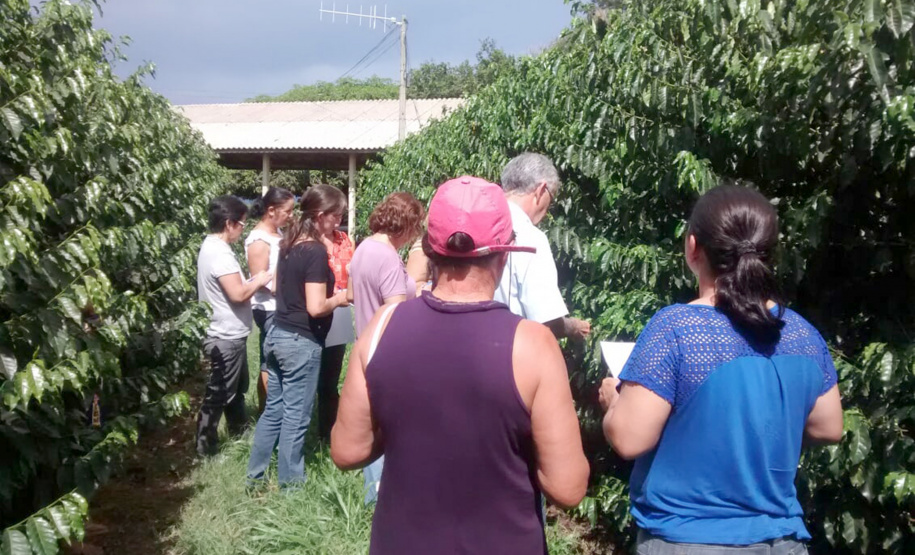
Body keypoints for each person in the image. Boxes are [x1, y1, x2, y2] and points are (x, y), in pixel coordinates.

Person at [332, 176, 590, 554]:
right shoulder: (533, 346)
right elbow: (567, 488)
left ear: (429, 251)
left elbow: (347, 450)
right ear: (504, 255)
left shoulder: (382, 327)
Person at [599, 185, 844, 554]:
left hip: (688, 538)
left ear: (692, 247)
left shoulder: (676, 328)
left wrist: (612, 403)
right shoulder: (802, 334)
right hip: (782, 541)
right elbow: (829, 426)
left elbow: (629, 439)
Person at [246, 184, 349, 489]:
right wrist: (341, 298)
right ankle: (292, 487)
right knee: (296, 417)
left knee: (274, 410)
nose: (339, 222)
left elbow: (278, 288)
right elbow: (316, 307)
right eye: (336, 216)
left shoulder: (287, 243)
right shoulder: (315, 251)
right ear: (321, 216)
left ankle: (256, 477)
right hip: (300, 342)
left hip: (277, 332)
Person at [347, 191, 425, 503]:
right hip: (389, 352)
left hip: (365, 344)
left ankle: (371, 494)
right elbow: (396, 313)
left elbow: (353, 294)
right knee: (390, 426)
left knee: (372, 422)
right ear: (406, 225)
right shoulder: (389, 258)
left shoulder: (364, 248)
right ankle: (383, 497)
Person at [196, 195, 273, 457]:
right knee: (219, 393)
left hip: (229, 333)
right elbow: (238, 294)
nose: (243, 229)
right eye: (241, 224)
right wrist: (260, 278)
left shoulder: (212, 247)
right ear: (229, 223)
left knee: (235, 391)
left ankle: (239, 433)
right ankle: (206, 449)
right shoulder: (219, 254)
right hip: (224, 336)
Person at [494, 152, 590, 339]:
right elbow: (546, 323)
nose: (547, 211)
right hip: (509, 353)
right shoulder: (530, 237)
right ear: (541, 190)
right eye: (551, 199)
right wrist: (573, 327)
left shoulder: (479, 221)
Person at [245, 186, 295, 414]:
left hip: (281, 305)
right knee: (270, 361)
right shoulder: (258, 240)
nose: (291, 215)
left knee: (273, 358)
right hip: (268, 308)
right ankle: (269, 412)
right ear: (272, 210)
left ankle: (267, 410)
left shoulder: (278, 233)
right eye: (288, 211)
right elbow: (260, 279)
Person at [317, 219, 355, 443]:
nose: (338, 219)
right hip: (314, 310)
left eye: (340, 213)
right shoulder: (307, 239)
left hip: (340, 308)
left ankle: (327, 432)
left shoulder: (344, 239)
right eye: (334, 213)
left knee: (331, 376)